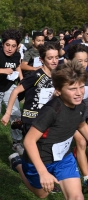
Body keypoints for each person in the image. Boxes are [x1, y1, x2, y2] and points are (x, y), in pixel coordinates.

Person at [9, 60, 88, 199]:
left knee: (77, 197)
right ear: (58, 90)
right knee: (42, 194)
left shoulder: (80, 105)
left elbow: (81, 125)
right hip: (40, 160)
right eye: (72, 89)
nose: (79, 93)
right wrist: (43, 172)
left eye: (81, 87)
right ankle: (18, 165)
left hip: (64, 158)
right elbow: (29, 141)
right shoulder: (51, 110)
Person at [1, 42, 60, 138]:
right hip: (31, 119)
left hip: (46, 117)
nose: (54, 61)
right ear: (42, 59)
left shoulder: (56, 76)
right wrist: (7, 113)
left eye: (56, 57)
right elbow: (16, 91)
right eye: (50, 58)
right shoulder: (36, 75)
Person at [67, 43, 88, 190]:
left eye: (86, 60)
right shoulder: (65, 77)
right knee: (81, 142)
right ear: (70, 61)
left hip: (85, 114)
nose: (83, 64)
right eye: (79, 61)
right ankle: (86, 178)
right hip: (71, 116)